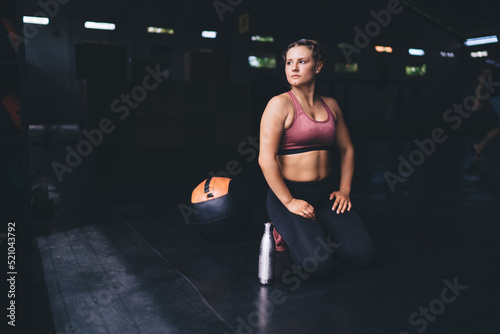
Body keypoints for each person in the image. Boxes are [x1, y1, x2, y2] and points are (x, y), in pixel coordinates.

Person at [258, 39, 375, 278]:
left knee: (364, 255)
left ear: (318, 67)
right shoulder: (279, 105)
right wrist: (290, 202)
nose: (294, 68)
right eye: (289, 62)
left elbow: (347, 149)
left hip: (325, 194)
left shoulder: (331, 105)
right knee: (319, 266)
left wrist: (344, 190)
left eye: (302, 62)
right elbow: (266, 159)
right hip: (288, 196)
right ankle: (286, 231)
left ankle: (319, 228)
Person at [471, 46, 500, 159]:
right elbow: (483, 77)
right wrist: (477, 98)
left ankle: (479, 147)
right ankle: (479, 147)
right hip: (497, 96)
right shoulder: (494, 56)